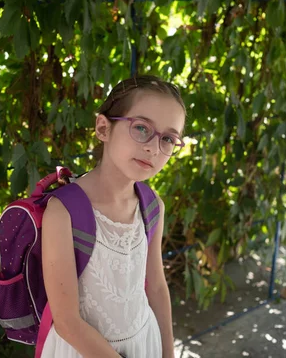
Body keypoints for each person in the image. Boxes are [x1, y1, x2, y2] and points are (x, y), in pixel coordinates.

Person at [41, 75, 186, 358]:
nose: (153, 148)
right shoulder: (63, 212)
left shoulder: (152, 206)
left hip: (144, 342)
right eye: (141, 128)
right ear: (103, 128)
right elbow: (67, 322)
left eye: (168, 138)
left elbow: (155, 286)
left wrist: (168, 353)